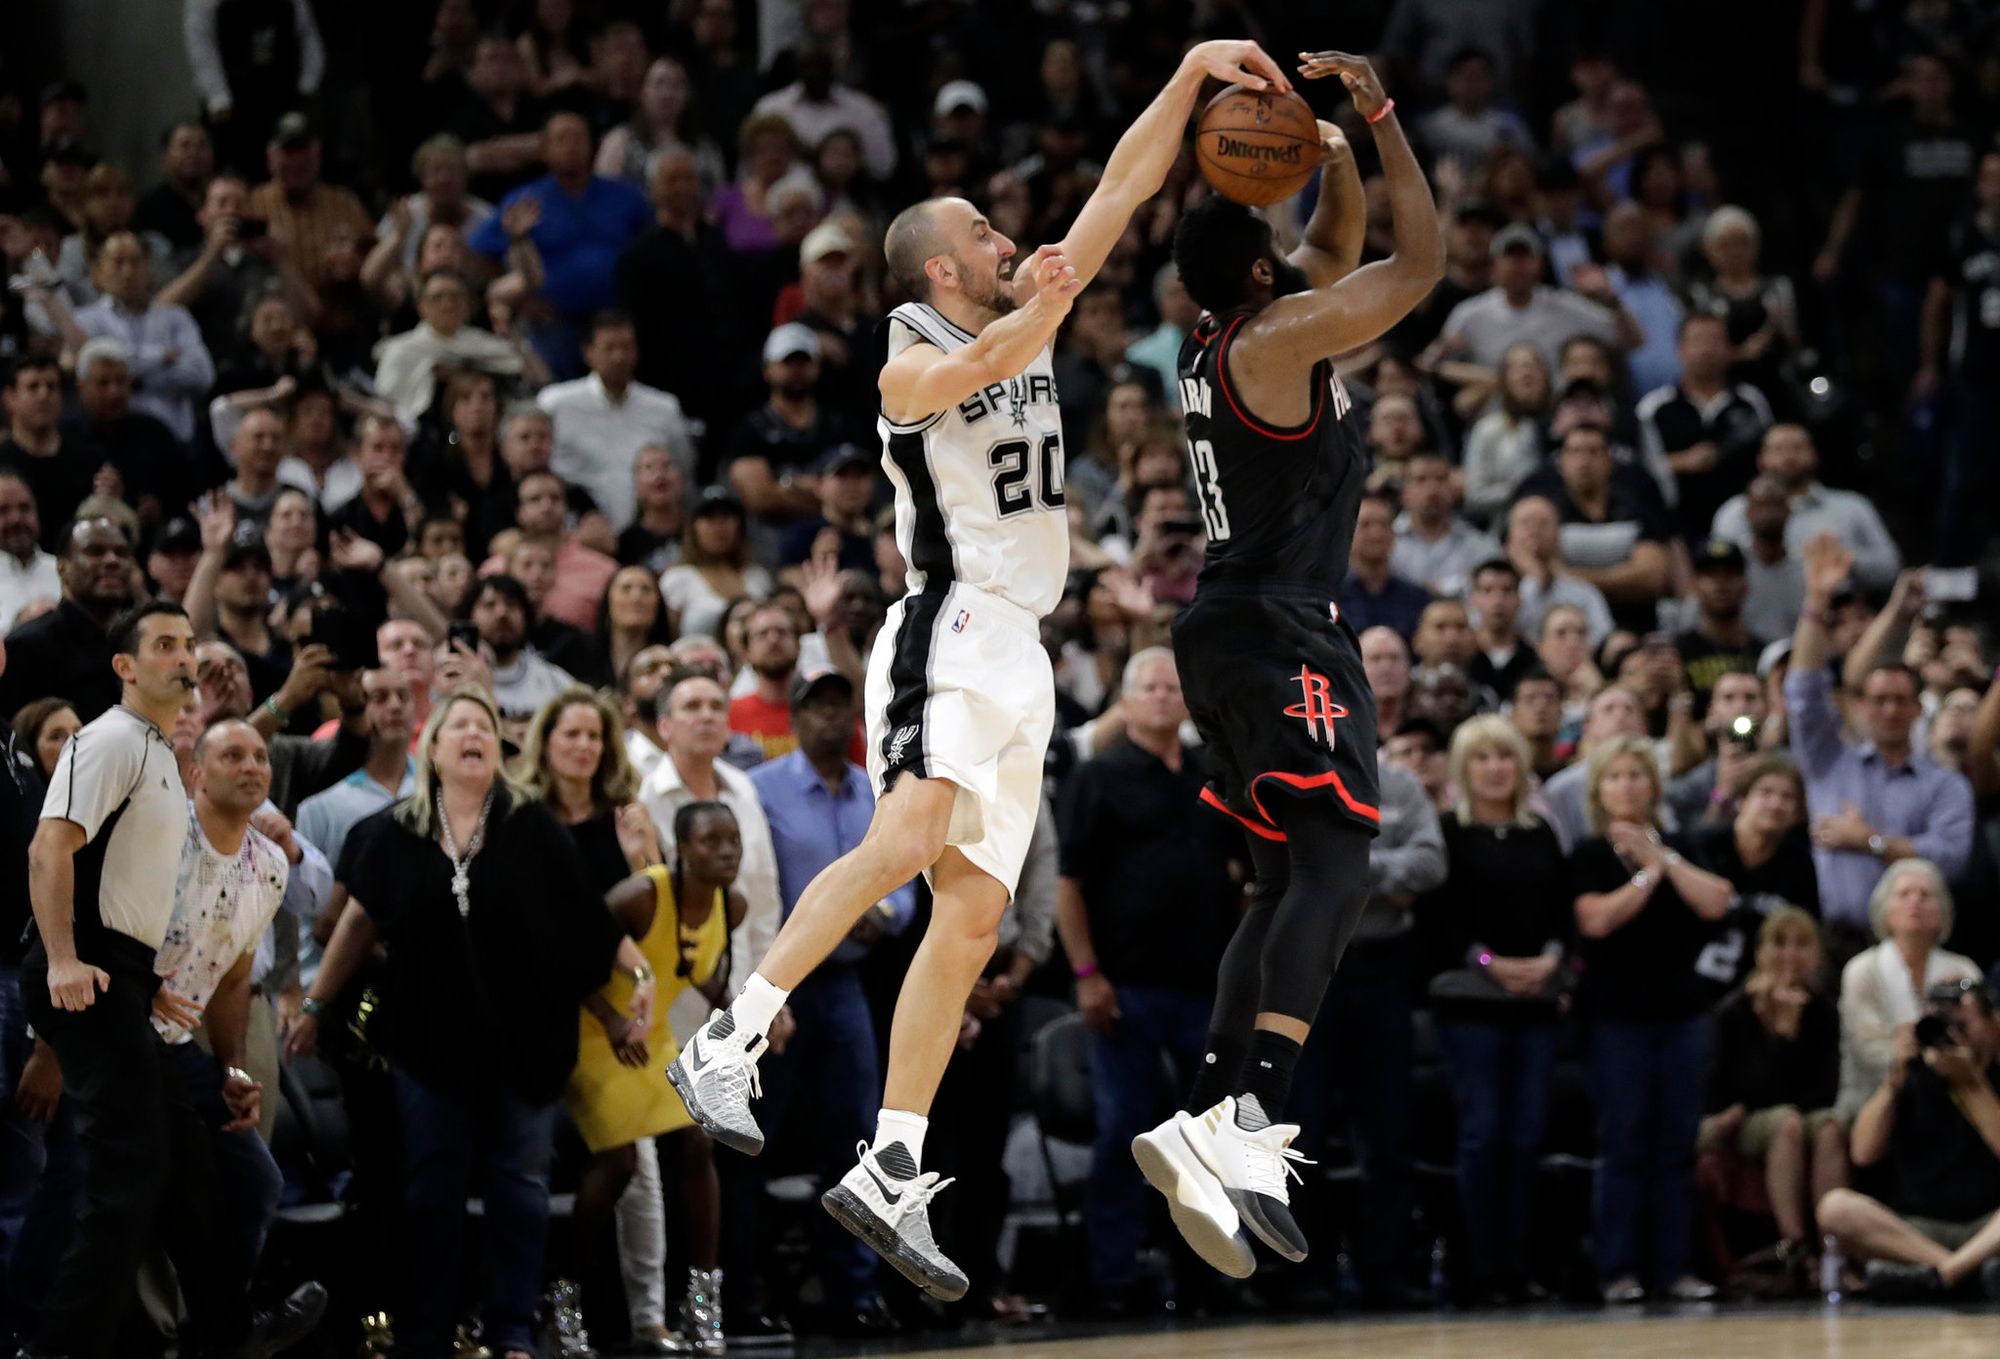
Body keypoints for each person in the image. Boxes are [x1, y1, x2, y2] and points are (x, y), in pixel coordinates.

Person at [669, 37, 1298, 1300]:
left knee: (968, 915)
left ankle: (892, 1163)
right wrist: (1048, 305)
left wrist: (1181, 80)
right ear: (941, 264)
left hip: (1025, 646)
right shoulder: (908, 349)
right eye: (983, 230)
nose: (1007, 236)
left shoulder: (1017, 307)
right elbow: (965, 373)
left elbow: (1119, 190)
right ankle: (732, 1035)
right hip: (947, 624)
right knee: (905, 837)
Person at [1123, 49, 1442, 1279]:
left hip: (1224, 629)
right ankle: (1254, 1114)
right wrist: (1375, 117)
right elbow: (1411, 264)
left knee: (1278, 886)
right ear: (1259, 271)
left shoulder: (1236, 332)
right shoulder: (1279, 338)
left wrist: (1320, 148)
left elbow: (1338, 231)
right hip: (1280, 626)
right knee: (1342, 865)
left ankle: (1207, 1110)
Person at [289, 687, 656, 1359]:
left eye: (484, 726)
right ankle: (430, 1331)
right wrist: (317, 1002)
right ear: (433, 747)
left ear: (499, 748)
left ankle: (512, 1329)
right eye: (458, 724)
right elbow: (354, 921)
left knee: (520, 1187)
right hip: (427, 1042)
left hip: (525, 1040)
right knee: (433, 1188)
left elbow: (583, 918)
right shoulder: (391, 830)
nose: (473, 734)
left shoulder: (532, 825)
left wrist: (640, 973)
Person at [18, 602, 254, 1359]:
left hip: (118, 971)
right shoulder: (109, 737)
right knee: (132, 1168)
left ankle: (226, 1333)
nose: (183, 657)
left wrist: (141, 979)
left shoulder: (156, 749)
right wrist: (63, 955)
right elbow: (49, 849)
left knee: (185, 1159)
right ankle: (57, 1347)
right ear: (125, 665)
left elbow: (118, 879)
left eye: (188, 644)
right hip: (80, 971)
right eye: (163, 645)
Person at [1053, 648, 1241, 1304]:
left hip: (1205, 986)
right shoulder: (1097, 777)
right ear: (1127, 702)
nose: (1163, 697)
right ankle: (1114, 1274)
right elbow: (1067, 884)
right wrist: (1086, 973)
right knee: (1128, 1132)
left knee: (1206, 1134)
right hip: (1125, 985)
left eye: (1172, 687)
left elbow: (1239, 874)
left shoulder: (1210, 774)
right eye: (1150, 687)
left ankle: (1206, 1271)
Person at [1572, 735, 1734, 1303]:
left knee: (1676, 1145)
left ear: (1654, 787)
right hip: (1617, 1019)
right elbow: (1595, 921)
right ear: (1600, 790)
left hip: (1684, 1014)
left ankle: (1676, 1268)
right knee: (1624, 1145)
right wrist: (1645, 876)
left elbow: (1716, 901)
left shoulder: (1684, 845)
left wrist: (1661, 859)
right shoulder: (1590, 854)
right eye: (1616, 778)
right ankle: (1618, 1270)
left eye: (1637, 777)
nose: (1628, 787)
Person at [1421, 716, 1570, 1304]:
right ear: (1464, 768)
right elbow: (1439, 920)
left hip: (1534, 1002)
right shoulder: (1446, 833)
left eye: (1504, 757)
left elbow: (1561, 910)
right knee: (1483, 1135)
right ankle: (1480, 1270)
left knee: (1527, 1136)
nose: (1494, 768)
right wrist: (1490, 963)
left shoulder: (1540, 833)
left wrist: (1551, 960)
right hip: (1470, 1006)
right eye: (1481, 758)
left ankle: (1520, 1267)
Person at [1786, 535, 1973, 963]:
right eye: (1878, 700)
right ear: (1862, 709)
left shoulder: (1945, 784)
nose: (1889, 709)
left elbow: (1948, 859)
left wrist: (1868, 841)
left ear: (1917, 708)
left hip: (1920, 949)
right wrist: (1816, 598)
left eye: (1900, 700)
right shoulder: (1829, 763)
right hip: (1835, 944)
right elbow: (1802, 693)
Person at [1819, 976, 2000, 1303]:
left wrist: (1972, 1086)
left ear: (1993, 1025)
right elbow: (1862, 1153)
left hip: (1988, 1227)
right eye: (1942, 1023)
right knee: (1835, 1208)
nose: (1951, 1035)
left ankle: (1933, 1277)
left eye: (1962, 1024)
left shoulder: (1993, 1076)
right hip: (1916, 1230)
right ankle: (1959, 1273)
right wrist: (1894, 1081)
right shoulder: (1911, 1075)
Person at [1701, 908, 1846, 1286]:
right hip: (1740, 1121)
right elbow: (1732, 1093)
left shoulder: (1824, 1012)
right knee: (1787, 1123)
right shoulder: (1735, 1011)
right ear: (1760, 952)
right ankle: (1795, 1248)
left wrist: (1791, 1033)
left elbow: (1825, 1091)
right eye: (1779, 943)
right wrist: (1782, 1035)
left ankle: (1834, 1251)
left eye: (1801, 945)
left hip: (1794, 1112)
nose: (1789, 955)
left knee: (1829, 1126)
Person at [1835, 859, 1981, 1119]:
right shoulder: (1862, 970)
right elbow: (1866, 1051)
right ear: (1885, 911)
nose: (1915, 902)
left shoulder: (1963, 970)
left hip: (1952, 1095)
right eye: (1904, 894)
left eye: (1925, 894)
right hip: (1876, 1098)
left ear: (1942, 913)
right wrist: (1909, 1052)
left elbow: (1980, 1041)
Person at [538, 309, 697, 530]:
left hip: (647, 533)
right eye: (609, 348)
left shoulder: (664, 408)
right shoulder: (555, 404)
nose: (619, 356)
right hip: (579, 533)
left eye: (626, 347)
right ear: (588, 352)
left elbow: (683, 470)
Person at [1710, 425, 1900, 591]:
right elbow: (1716, 573)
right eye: (1778, 449)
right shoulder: (1735, 512)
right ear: (1761, 460)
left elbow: (1890, 568)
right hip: (1756, 620)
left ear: (1815, 455)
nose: (1789, 456)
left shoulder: (1851, 506)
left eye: (1798, 447)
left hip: (1835, 616)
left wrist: (1845, 559)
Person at [0, 516, 137, 723]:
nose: (112, 560)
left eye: (121, 552)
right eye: (95, 551)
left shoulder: (138, 642)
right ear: (62, 567)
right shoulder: (27, 646)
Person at [1339, 489, 1432, 644]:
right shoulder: (1331, 596)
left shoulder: (1416, 598)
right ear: (1348, 532)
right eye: (1365, 525)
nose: (1376, 533)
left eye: (1384, 524)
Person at [0, 473, 60, 632]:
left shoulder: (63, 571)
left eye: (24, 508)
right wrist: (18, 625)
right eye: (3, 510)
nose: (16, 518)